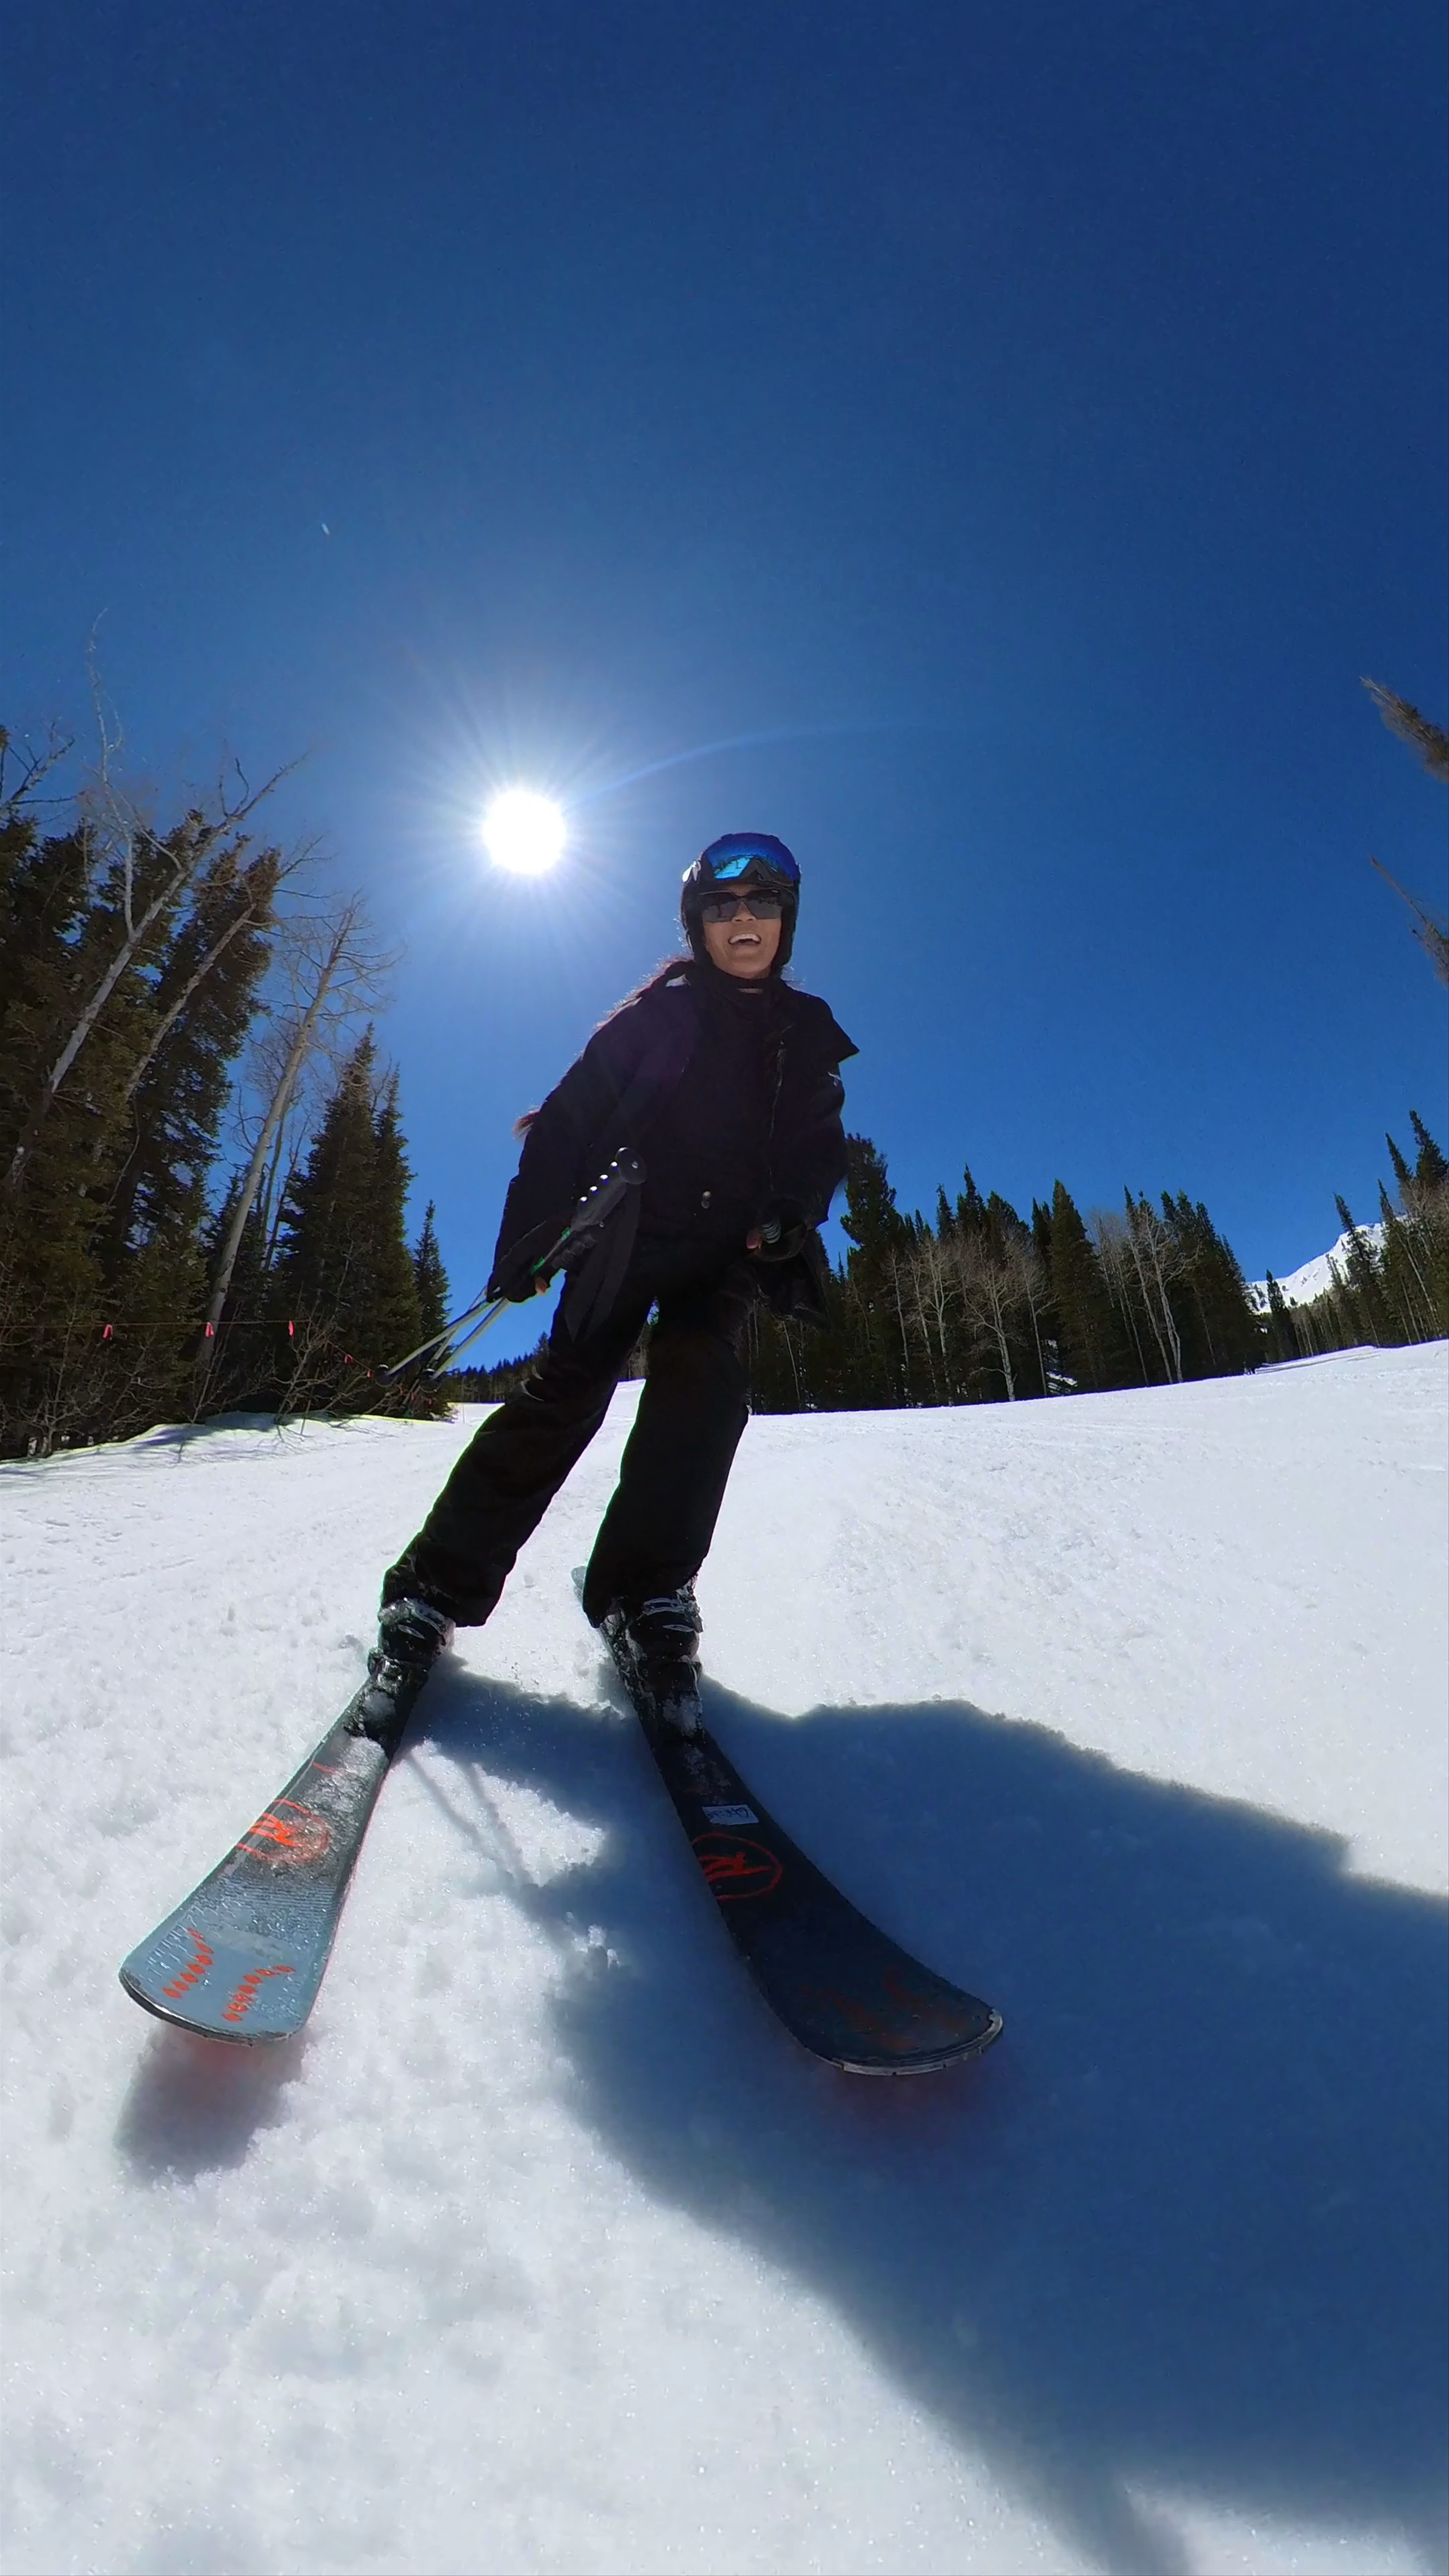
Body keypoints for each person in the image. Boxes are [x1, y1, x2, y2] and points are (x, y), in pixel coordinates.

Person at [366, 832, 856, 1734]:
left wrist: (792, 1210)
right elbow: (564, 1125)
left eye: (761, 905)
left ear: (787, 922)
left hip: (730, 1248)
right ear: (698, 924)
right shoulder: (657, 1016)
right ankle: (433, 1588)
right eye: (723, 907)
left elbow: (817, 1145)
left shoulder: (805, 1031)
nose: (742, 920)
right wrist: (529, 1237)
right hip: (629, 1231)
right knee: (569, 1389)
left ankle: (646, 1594)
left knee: (704, 1381)